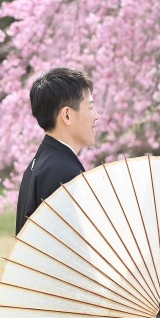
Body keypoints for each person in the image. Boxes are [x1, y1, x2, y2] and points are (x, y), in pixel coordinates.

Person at [15, 67, 99, 234]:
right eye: (90, 107)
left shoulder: (42, 163)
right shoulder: (63, 171)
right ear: (67, 115)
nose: (96, 116)